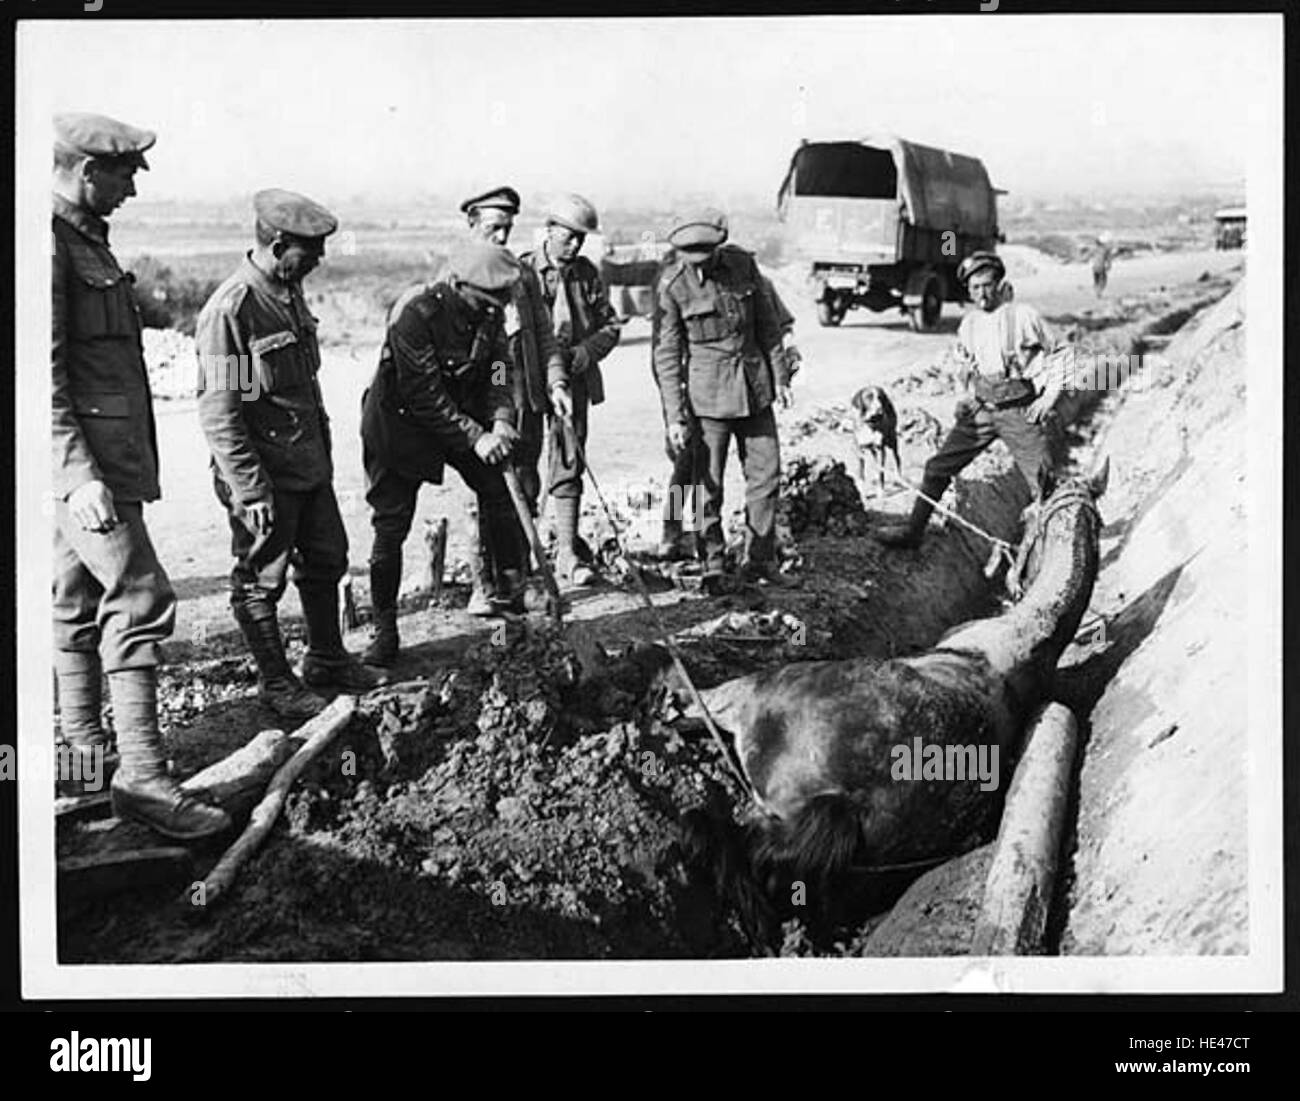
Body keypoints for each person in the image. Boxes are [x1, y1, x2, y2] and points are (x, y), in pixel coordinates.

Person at [52, 112, 230, 839]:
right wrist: (76, 474)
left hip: (103, 463)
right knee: (141, 593)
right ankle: (144, 780)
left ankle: (87, 761)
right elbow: (38, 374)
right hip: (85, 469)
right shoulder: (48, 246)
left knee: (72, 597)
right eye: (124, 174)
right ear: (87, 171)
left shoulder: (85, 239)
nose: (131, 188)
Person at [196, 189, 379, 718]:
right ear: (278, 245)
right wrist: (250, 488)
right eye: (311, 251)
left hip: (307, 465)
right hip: (265, 476)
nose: (319, 261)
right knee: (261, 579)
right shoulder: (233, 310)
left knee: (327, 559)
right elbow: (221, 409)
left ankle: (326, 659)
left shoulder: (288, 293)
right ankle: (276, 683)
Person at [360, 240, 527, 666]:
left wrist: (503, 417)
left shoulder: (490, 313)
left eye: (500, 303)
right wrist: (477, 437)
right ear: (457, 285)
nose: (494, 310)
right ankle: (385, 629)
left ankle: (510, 600)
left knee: (503, 493)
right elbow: (425, 396)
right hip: (401, 426)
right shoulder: (415, 313)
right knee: (391, 526)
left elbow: (498, 369)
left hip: (463, 419)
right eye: (486, 301)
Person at [876, 251, 1069, 550]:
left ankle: (1058, 549)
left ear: (999, 284)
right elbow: (966, 365)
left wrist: (1050, 397)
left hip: (1019, 411)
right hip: (981, 410)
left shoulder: (1024, 316)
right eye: (975, 287)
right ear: (968, 290)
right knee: (936, 468)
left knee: (1044, 485)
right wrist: (965, 396)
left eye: (987, 285)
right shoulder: (969, 325)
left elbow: (1061, 353)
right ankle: (914, 531)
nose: (982, 293)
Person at [652, 210, 793, 592]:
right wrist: (674, 417)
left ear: (718, 248)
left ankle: (760, 560)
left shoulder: (743, 265)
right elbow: (666, 355)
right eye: (689, 258)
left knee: (766, 476)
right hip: (706, 397)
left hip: (754, 387)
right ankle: (710, 560)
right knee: (702, 486)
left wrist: (780, 377)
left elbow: (768, 324)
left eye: (705, 257)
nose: (698, 265)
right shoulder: (672, 285)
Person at [458, 186, 570, 610]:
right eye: (493, 228)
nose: (502, 238)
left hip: (524, 400)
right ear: (472, 224)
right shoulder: (456, 275)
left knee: (525, 485)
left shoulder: (522, 277)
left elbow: (544, 337)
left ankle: (519, 579)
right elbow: (487, 361)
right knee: (486, 495)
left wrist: (556, 382)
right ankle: (483, 584)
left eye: (507, 229)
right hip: (481, 405)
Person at [519, 194, 621, 586]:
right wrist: (500, 383)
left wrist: (586, 352)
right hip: (529, 382)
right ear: (549, 230)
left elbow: (611, 327)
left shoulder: (587, 275)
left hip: (574, 380)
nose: (575, 245)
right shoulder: (523, 271)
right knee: (524, 460)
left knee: (568, 459)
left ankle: (565, 552)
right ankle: (524, 556)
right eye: (569, 236)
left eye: (581, 238)